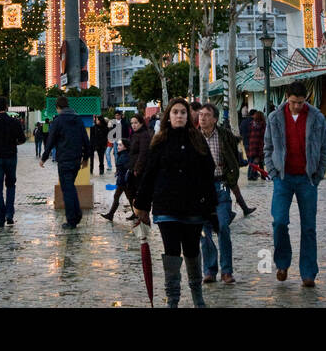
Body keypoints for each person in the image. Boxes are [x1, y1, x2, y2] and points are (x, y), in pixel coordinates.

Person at [133, 98, 216, 308]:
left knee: (191, 251)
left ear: (188, 117)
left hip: (193, 208)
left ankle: (197, 294)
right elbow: (149, 174)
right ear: (168, 116)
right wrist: (142, 206)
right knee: (171, 252)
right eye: (175, 112)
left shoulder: (197, 140)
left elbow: (208, 174)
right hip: (166, 207)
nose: (179, 116)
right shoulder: (159, 141)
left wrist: (210, 207)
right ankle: (173, 299)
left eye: (183, 112)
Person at [263, 82, 326, 288]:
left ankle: (308, 272)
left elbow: (325, 147)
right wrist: (273, 172)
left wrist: (318, 174)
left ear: (306, 99)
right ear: (287, 98)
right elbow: (268, 147)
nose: (296, 106)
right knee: (279, 222)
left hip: (307, 179)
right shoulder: (275, 118)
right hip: (283, 178)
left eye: (300, 103)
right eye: (293, 102)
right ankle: (282, 263)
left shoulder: (317, 117)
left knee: (309, 227)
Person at [197, 102, 241, 285]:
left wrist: (231, 179)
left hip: (221, 185)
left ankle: (227, 271)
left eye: (207, 115)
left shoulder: (224, 136)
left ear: (215, 119)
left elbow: (235, 158)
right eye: (200, 115)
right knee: (204, 230)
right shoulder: (194, 138)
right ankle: (209, 270)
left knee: (223, 226)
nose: (203, 118)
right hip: (201, 188)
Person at [39, 95, 92, 228]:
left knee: (67, 189)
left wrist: (44, 158)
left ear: (58, 107)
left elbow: (50, 141)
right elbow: (86, 140)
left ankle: (72, 219)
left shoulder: (58, 121)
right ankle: (76, 215)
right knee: (70, 187)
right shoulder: (78, 119)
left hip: (64, 160)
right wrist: (85, 158)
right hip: (75, 160)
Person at [0, 96, 26, 227]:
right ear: (7, 107)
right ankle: (9, 214)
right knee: (10, 185)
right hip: (11, 156)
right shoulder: (14, 122)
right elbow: (22, 139)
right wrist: (14, 143)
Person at [100, 111, 143, 221]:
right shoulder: (122, 155)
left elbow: (126, 168)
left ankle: (114, 214)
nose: (118, 146)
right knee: (127, 198)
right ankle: (127, 214)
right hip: (123, 180)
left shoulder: (124, 157)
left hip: (124, 181)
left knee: (123, 197)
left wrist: (120, 173)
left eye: (120, 145)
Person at [246, 109, 266, 180]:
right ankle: (251, 175)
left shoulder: (251, 124)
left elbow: (248, 134)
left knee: (257, 160)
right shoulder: (263, 124)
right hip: (259, 144)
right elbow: (264, 135)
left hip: (252, 144)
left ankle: (263, 175)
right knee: (257, 160)